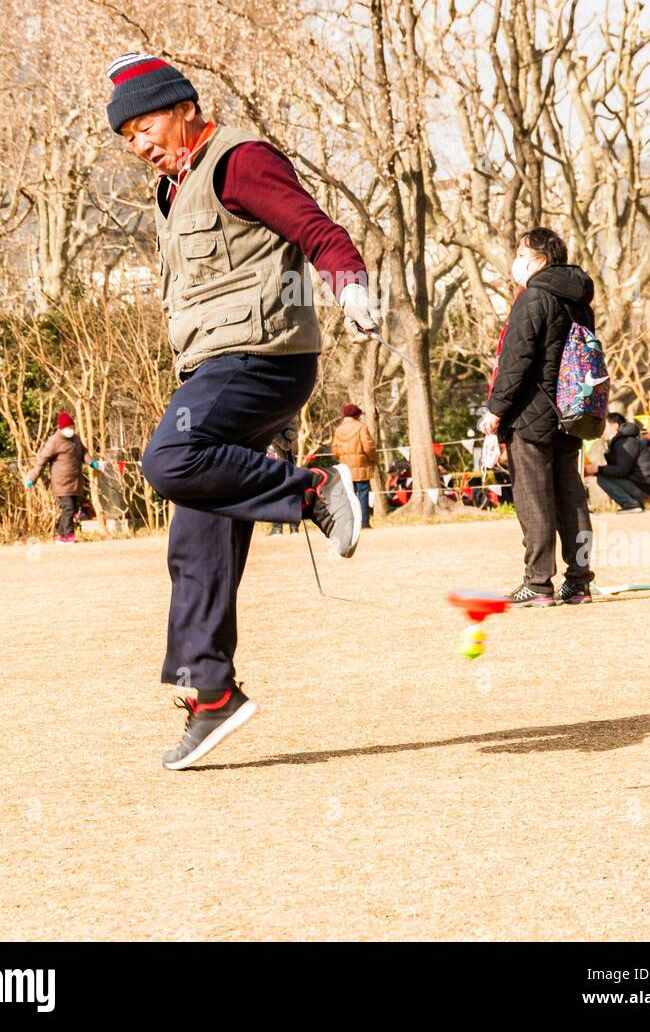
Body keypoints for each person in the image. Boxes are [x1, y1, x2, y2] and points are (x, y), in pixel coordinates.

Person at [107, 52, 380, 768]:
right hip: (215, 366)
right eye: (128, 136)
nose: (141, 144)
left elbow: (316, 229)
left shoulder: (239, 160)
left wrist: (349, 286)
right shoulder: (176, 192)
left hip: (259, 359)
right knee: (196, 536)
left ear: (186, 109)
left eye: (148, 124)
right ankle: (210, 694)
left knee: (169, 460)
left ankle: (314, 490)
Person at [480, 227, 595, 605]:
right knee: (571, 499)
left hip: (531, 414)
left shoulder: (533, 298)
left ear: (541, 259)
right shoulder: (579, 300)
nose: (517, 261)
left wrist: (496, 411)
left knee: (534, 500)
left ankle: (538, 582)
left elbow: (517, 361)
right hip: (570, 411)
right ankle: (579, 581)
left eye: (521, 253)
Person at [25, 411, 98, 543]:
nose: (70, 430)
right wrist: (32, 478)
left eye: (72, 427)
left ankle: (61, 535)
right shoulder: (54, 441)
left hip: (76, 481)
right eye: (68, 428)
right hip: (61, 483)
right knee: (68, 508)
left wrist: (91, 462)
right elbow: (41, 461)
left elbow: (84, 452)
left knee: (73, 509)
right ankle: (68, 536)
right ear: (60, 428)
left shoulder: (75, 439)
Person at [584, 412, 650, 512]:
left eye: (604, 425)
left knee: (602, 479)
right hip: (642, 486)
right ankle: (635, 504)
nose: (601, 429)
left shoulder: (625, 442)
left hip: (643, 488)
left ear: (615, 426)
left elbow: (622, 470)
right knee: (603, 476)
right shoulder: (623, 440)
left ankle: (631, 504)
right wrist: (596, 470)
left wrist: (597, 469)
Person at [331, 403, 378, 528]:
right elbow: (368, 446)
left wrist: (342, 457)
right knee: (363, 494)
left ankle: (350, 523)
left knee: (349, 496)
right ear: (357, 415)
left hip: (345, 468)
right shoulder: (361, 427)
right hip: (361, 466)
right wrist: (373, 459)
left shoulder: (338, 430)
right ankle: (364, 523)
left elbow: (335, 450)